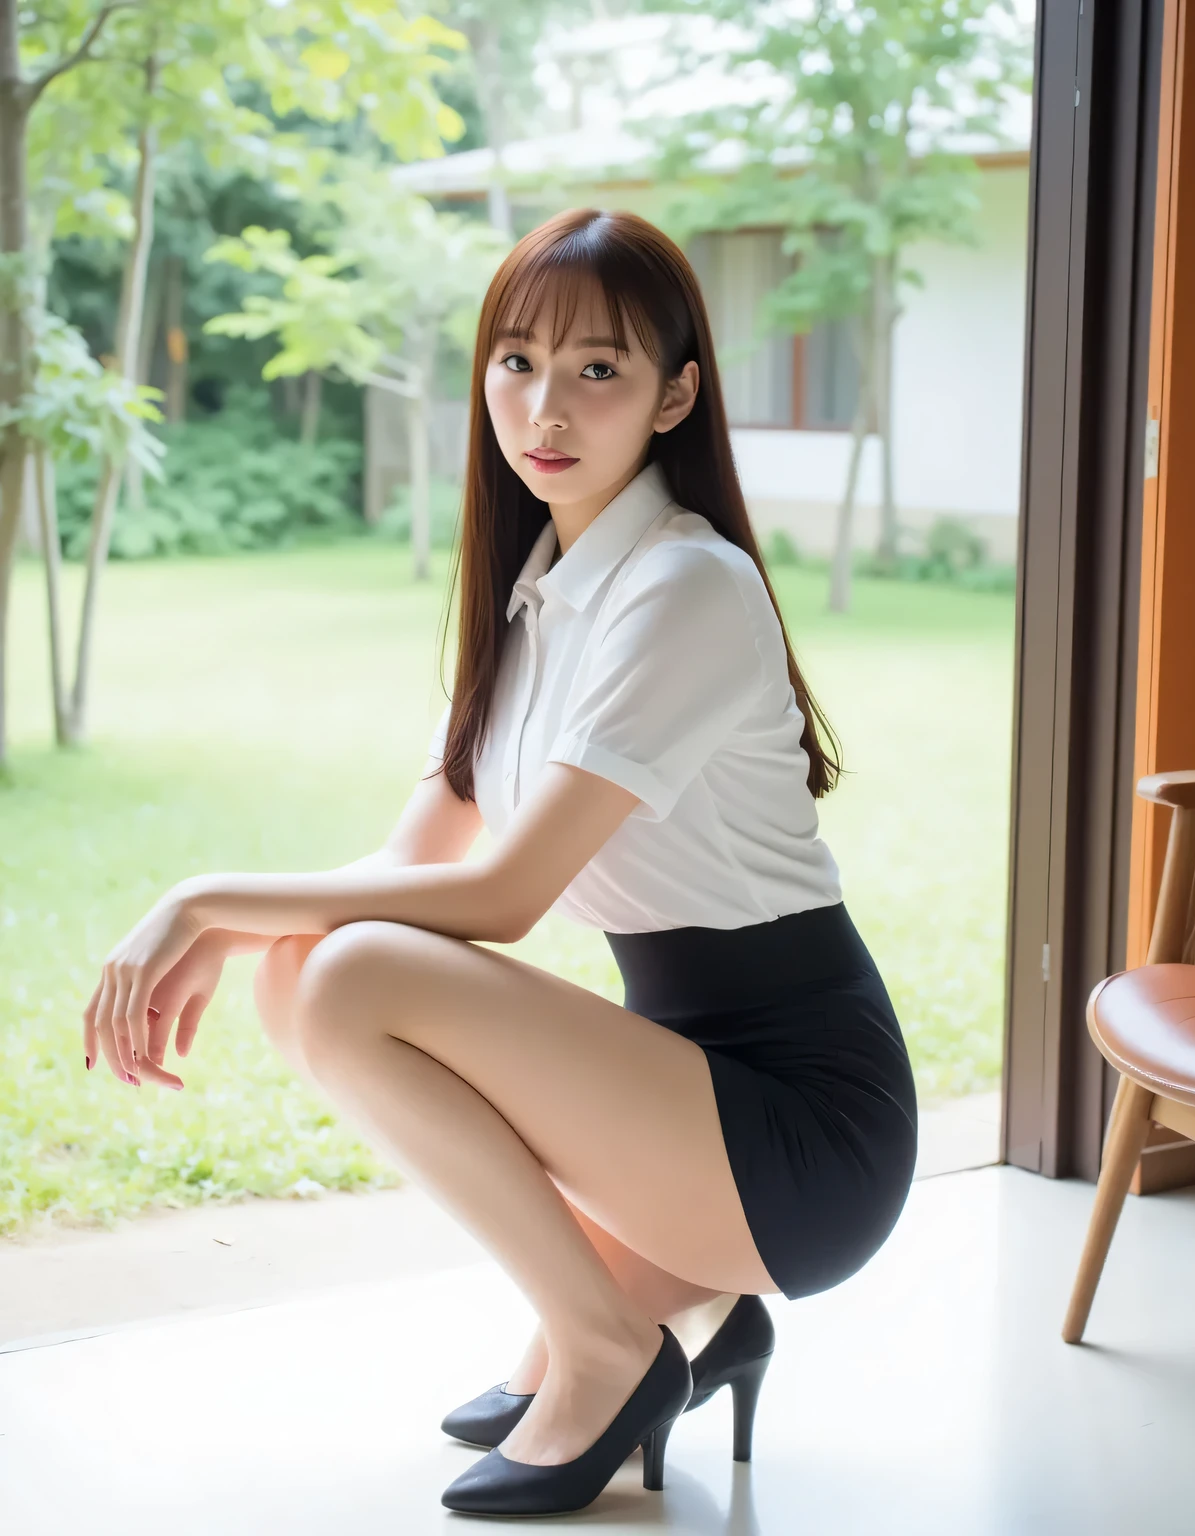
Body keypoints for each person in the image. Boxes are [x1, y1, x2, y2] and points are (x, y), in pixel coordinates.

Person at [81, 207, 918, 1518]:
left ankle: (606, 1343)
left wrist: (197, 897)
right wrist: (248, 934)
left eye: (599, 370)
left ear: (675, 393)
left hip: (802, 1130)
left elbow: (501, 901)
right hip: (687, 1097)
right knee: (306, 972)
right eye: (517, 362)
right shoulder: (535, 597)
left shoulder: (683, 584)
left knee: (348, 977)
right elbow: (412, 863)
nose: (547, 405)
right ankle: (667, 1312)